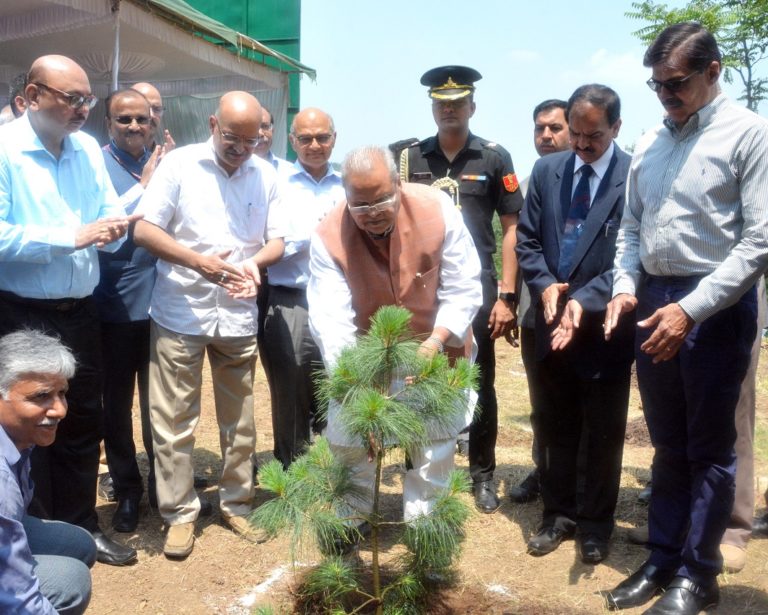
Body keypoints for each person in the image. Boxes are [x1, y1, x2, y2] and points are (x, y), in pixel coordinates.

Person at [602, 23, 768, 614]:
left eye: (676, 83)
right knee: (668, 445)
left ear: (713, 71)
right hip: (653, 303)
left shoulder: (749, 135)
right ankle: (663, 558)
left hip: (715, 307)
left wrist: (690, 309)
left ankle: (701, 572)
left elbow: (759, 241)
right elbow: (629, 229)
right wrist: (626, 287)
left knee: (710, 448)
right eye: (656, 86)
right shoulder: (649, 142)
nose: (666, 95)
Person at [133, 91, 287, 559]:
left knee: (240, 419)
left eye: (252, 139)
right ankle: (179, 513)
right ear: (212, 123)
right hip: (181, 310)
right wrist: (197, 262)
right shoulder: (179, 166)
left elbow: (278, 239)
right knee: (175, 419)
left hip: (237, 314)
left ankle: (237, 502)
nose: (242, 149)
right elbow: (143, 229)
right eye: (232, 138)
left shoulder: (266, 174)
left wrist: (255, 266)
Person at [0, 54, 140, 566]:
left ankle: (81, 527)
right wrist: (70, 236)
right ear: (32, 96)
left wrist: (113, 225)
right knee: (27, 425)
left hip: (80, 310)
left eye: (88, 99)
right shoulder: (5, 150)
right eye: (72, 99)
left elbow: (106, 213)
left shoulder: (84, 149)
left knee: (82, 417)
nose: (83, 109)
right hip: (21, 313)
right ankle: (29, 533)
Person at [308, 145, 482, 523]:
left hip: (436, 348)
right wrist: (356, 385)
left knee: (433, 447)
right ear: (346, 197)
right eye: (361, 206)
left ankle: (426, 530)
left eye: (382, 200)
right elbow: (330, 318)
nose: (372, 214)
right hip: (364, 358)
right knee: (351, 443)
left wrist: (437, 341)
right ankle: (349, 525)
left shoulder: (439, 211)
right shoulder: (327, 235)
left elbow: (463, 286)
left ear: (399, 185)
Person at [396, 65, 523, 512]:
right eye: (441, 103)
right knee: (417, 375)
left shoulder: (494, 157)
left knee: (479, 378)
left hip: (476, 287)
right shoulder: (406, 158)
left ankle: (482, 474)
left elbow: (512, 229)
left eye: (458, 102)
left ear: (473, 106)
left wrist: (508, 295)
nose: (449, 109)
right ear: (432, 107)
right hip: (419, 289)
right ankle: (419, 463)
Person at [516, 84, 633, 564]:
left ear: (616, 128)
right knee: (555, 425)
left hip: (604, 328)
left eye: (594, 136)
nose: (583, 145)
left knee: (602, 431)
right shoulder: (547, 171)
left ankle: (596, 526)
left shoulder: (634, 175)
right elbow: (527, 239)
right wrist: (544, 283)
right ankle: (557, 516)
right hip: (550, 322)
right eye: (578, 134)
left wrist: (585, 298)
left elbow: (634, 251)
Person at [93, 88, 165, 532]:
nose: (135, 126)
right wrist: (143, 189)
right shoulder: (95, 165)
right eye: (125, 119)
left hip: (162, 307)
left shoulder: (168, 164)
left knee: (161, 406)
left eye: (143, 119)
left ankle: (163, 484)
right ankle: (128, 488)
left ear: (154, 122)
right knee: (114, 408)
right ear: (109, 123)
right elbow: (103, 231)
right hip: (113, 305)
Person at [262, 108, 343, 468]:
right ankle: (292, 470)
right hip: (289, 298)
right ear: (291, 141)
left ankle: (336, 467)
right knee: (290, 386)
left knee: (337, 382)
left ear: (334, 139)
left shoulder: (347, 185)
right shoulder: (273, 182)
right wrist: (312, 236)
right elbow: (262, 239)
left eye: (322, 137)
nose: (314, 145)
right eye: (305, 138)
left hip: (338, 302)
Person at [0, 330, 97, 615]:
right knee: (69, 582)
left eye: (62, 393)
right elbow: (19, 601)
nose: (59, 410)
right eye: (41, 396)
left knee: (78, 544)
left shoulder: (18, 436)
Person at [509, 98, 570, 505]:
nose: (546, 136)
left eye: (555, 127)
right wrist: (509, 302)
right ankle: (544, 470)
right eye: (539, 129)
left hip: (586, 312)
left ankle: (579, 479)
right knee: (541, 402)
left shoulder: (601, 180)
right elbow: (516, 243)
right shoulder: (529, 183)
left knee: (581, 403)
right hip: (536, 314)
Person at [131, 82, 174, 152]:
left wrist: (168, 160)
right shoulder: (107, 160)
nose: (151, 115)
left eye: (157, 109)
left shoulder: (166, 157)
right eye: (143, 108)